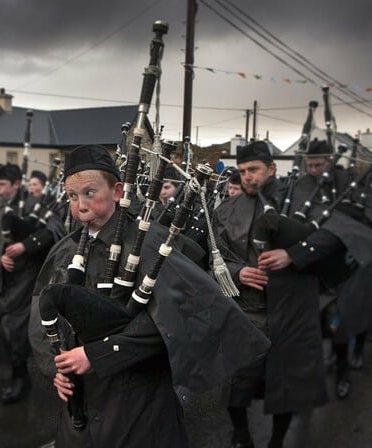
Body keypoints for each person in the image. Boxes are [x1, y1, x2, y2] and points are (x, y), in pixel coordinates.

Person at [29, 145, 269, 448]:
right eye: (72, 197)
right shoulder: (65, 249)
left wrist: (98, 354)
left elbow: (184, 317)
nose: (81, 206)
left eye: (90, 192)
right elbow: (41, 315)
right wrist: (56, 366)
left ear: (118, 191)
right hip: (80, 408)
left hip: (139, 406)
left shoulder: (150, 241)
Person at [214, 141, 343, 448]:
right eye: (243, 171)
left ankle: (277, 441)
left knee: (287, 382)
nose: (247, 177)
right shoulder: (226, 209)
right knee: (237, 378)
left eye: (254, 170)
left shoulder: (301, 197)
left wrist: (292, 254)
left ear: (271, 169)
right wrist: (237, 272)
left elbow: (334, 233)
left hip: (293, 307)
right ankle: (241, 434)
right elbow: (212, 255)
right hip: (247, 310)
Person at [296, 139, 372, 398]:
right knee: (329, 322)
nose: (314, 169)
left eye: (319, 164)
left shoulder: (349, 182)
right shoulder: (304, 186)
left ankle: (348, 364)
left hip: (351, 260)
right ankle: (338, 360)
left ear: (330, 161)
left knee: (353, 315)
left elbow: (367, 217)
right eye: (310, 165)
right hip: (321, 264)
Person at [0, 163, 58, 404]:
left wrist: (26, 245)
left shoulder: (34, 205)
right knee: (5, 329)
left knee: (15, 329)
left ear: (17, 184)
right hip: (1, 280)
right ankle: (10, 373)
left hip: (27, 279)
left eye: (4, 185)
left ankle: (20, 378)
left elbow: (53, 232)